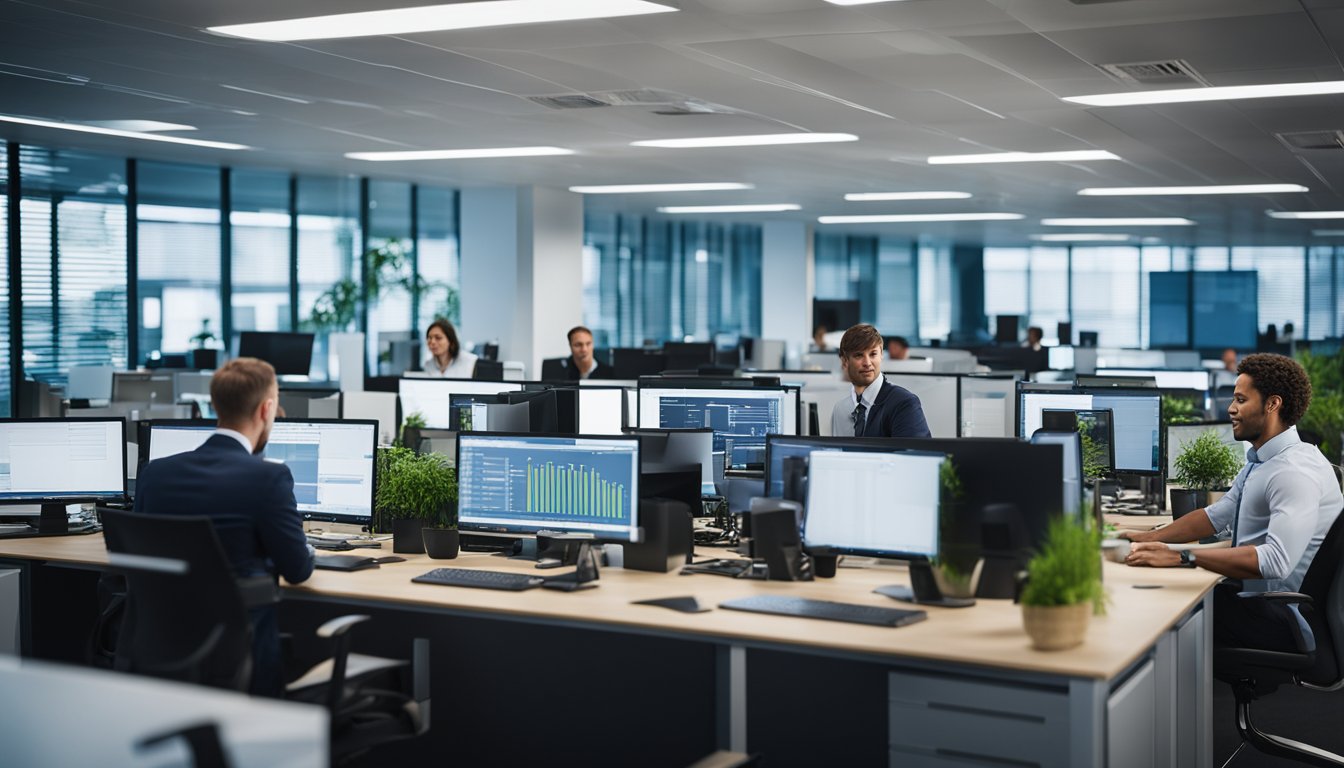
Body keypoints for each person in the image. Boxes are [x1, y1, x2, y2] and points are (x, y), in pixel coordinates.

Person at [1124, 353, 1342, 654]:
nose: (1231, 408)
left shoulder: (1293, 472)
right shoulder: (1262, 460)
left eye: (1241, 400)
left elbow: (1275, 561)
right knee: (1169, 589)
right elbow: (1216, 516)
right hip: (1257, 602)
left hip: (1281, 619)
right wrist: (1147, 538)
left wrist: (1184, 557)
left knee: (1162, 607)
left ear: (1272, 404)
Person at [134, 358, 315, 696]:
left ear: (215, 404)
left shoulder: (155, 474)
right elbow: (299, 569)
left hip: (163, 654)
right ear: (266, 409)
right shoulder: (269, 478)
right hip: (241, 663)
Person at [829, 324, 930, 439]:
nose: (867, 363)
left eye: (873, 354)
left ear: (881, 354)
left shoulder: (904, 404)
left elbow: (915, 455)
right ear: (845, 361)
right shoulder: (840, 410)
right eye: (858, 355)